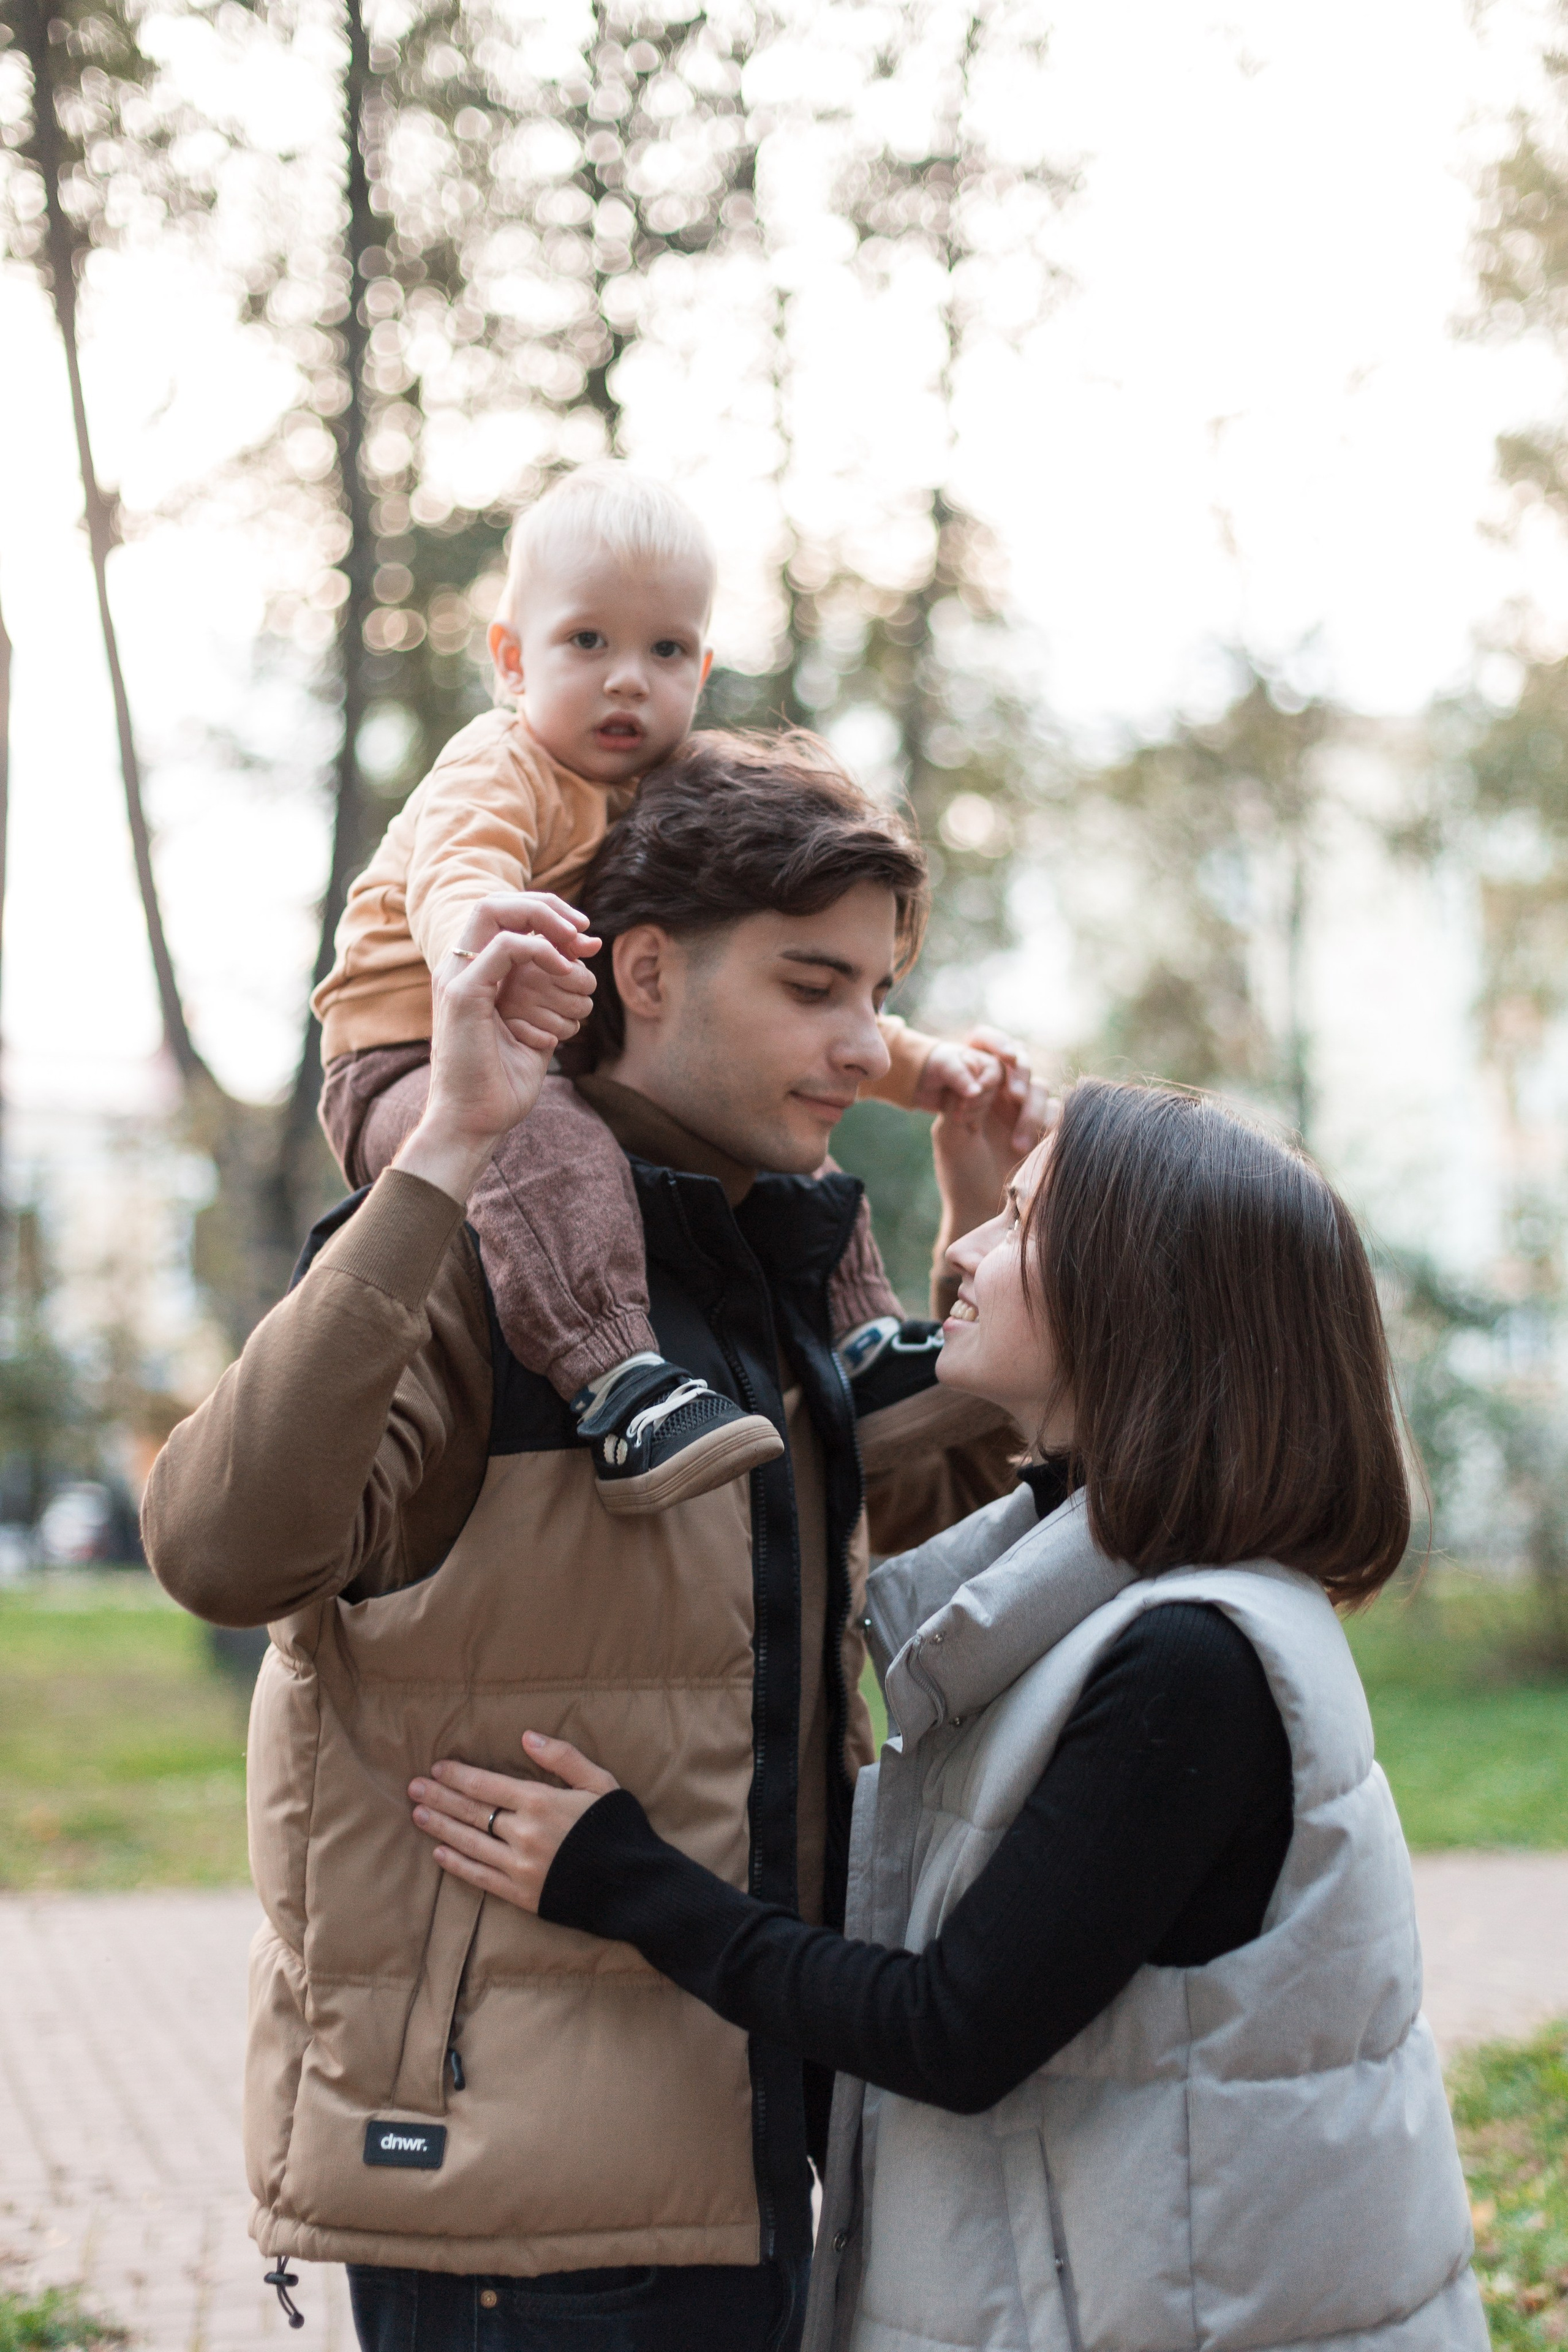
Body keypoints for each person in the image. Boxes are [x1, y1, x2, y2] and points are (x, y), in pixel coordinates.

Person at [143, 740, 1039, 2352]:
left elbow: (957, 1590)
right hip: (514, 2209)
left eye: (879, 994)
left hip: (758, 2151)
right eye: (812, 986)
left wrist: (979, 1237)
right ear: (644, 971)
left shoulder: (774, 1261)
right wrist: (442, 1153)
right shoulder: (474, 1253)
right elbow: (220, 1551)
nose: (863, 1046)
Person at [405, 1081, 1489, 2352]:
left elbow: (954, 2029)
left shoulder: (1191, 1660)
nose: (968, 1251)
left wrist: (626, 1878)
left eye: (1017, 1222)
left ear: (1136, 1297)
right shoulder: (1108, 1607)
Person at [313, 461, 1028, 1515]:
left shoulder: (674, 785)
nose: (628, 681)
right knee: (550, 1145)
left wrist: (920, 1070)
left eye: (666, 651)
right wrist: (478, 938)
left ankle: (863, 1345)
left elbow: (803, 973)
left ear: (703, 663)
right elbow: (460, 867)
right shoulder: (501, 765)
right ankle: (621, 1383)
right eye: (587, 641)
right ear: (511, 658)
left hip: (537, 1048)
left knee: (798, 1153)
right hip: (408, 1055)